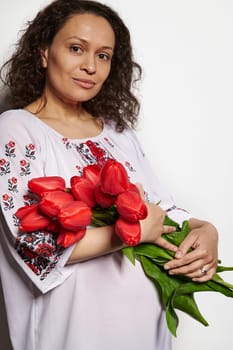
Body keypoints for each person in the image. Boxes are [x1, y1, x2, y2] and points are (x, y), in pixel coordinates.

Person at [0, 1, 218, 349]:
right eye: (76, 49)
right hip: (74, 334)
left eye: (103, 56)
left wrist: (205, 230)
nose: (90, 66)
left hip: (146, 331)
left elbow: (161, 211)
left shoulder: (118, 133)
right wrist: (128, 234)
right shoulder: (15, 129)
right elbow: (35, 248)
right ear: (43, 53)